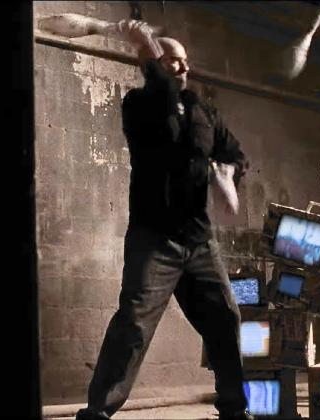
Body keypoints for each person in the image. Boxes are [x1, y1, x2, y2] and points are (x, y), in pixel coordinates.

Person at [76, 21, 251, 420]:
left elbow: (233, 152)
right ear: (150, 63)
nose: (183, 67)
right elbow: (163, 97)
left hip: (199, 241)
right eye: (172, 59)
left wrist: (228, 174)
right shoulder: (138, 106)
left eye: (185, 60)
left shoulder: (205, 111)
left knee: (226, 318)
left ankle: (234, 409)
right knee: (134, 324)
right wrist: (147, 48)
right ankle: (97, 412)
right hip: (154, 240)